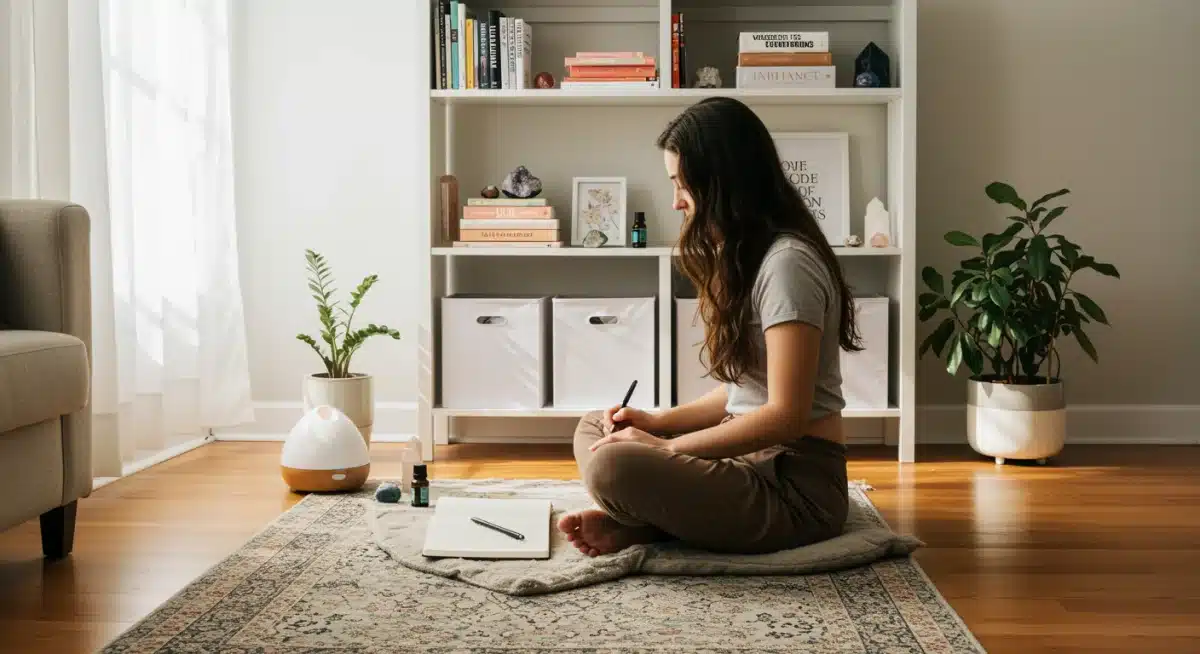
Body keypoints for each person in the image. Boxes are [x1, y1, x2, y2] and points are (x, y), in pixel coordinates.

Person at [557, 96, 863, 557]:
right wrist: (658, 422)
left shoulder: (789, 266)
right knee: (596, 428)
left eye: (681, 184)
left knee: (612, 467)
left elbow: (786, 415)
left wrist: (665, 451)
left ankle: (649, 524)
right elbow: (742, 393)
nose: (676, 201)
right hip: (746, 461)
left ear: (722, 181)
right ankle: (655, 522)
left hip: (796, 488)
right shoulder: (751, 256)